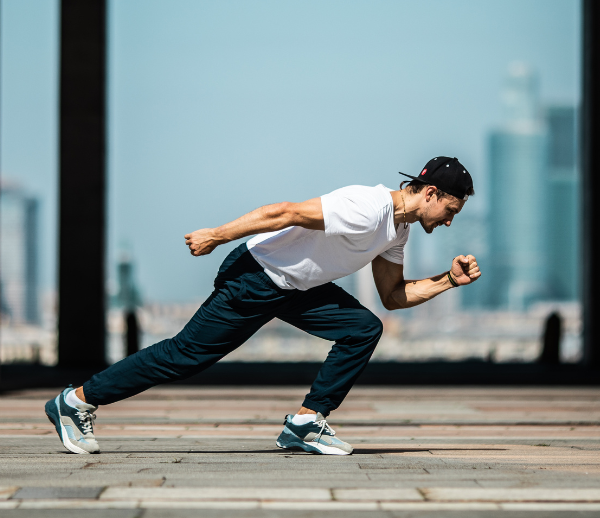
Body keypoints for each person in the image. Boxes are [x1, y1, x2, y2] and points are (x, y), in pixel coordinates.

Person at [45, 156, 481, 456]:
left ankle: (306, 423)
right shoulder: (368, 208)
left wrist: (447, 280)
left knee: (362, 328)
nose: (449, 220)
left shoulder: (396, 230)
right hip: (256, 276)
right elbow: (285, 212)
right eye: (450, 209)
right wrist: (217, 235)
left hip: (297, 288)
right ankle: (77, 401)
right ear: (429, 192)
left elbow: (393, 296)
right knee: (186, 356)